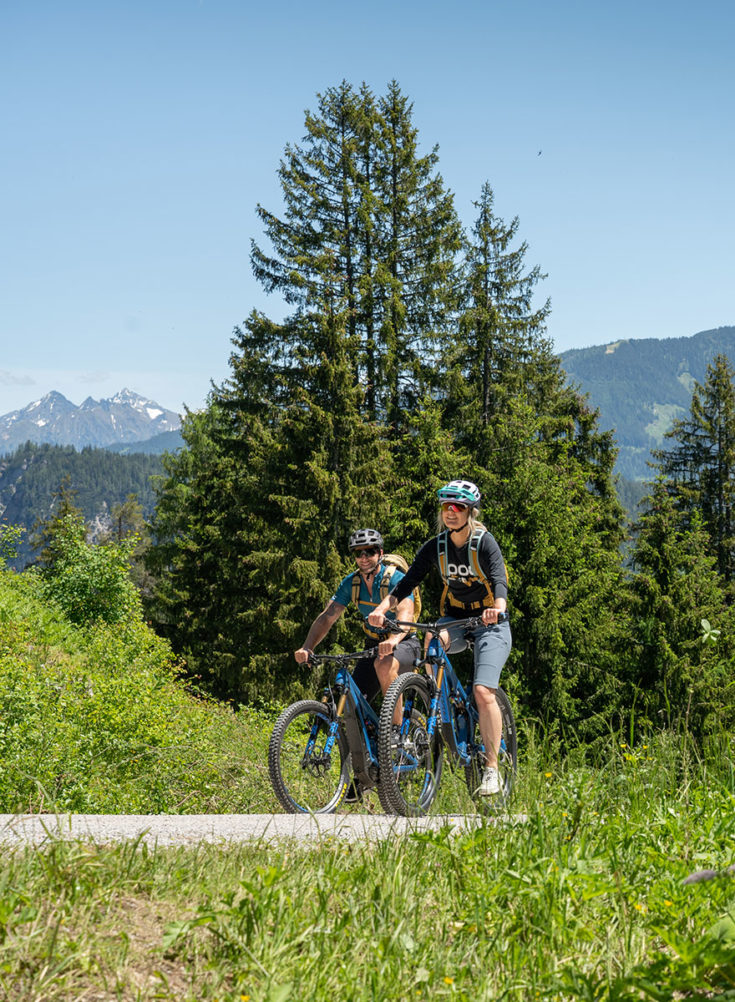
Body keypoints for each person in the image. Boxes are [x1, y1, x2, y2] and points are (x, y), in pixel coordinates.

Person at [368, 480, 511, 797]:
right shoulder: (436, 546)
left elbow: (499, 580)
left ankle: (492, 770)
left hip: (491, 623)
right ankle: (446, 709)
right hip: (456, 619)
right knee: (432, 644)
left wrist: (497, 609)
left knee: (484, 691)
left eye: (458, 507)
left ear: (470, 512)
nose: (451, 512)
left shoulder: (484, 543)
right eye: (447, 507)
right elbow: (406, 584)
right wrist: (381, 608)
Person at [294, 527, 420, 715]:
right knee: (352, 706)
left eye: (369, 551)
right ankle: (365, 740)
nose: (364, 557)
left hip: (404, 643)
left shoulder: (395, 579)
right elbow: (327, 616)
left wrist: (393, 640)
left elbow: (406, 611)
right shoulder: (351, 583)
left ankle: (394, 733)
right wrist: (307, 647)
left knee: (384, 664)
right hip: (374, 645)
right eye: (358, 553)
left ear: (380, 553)